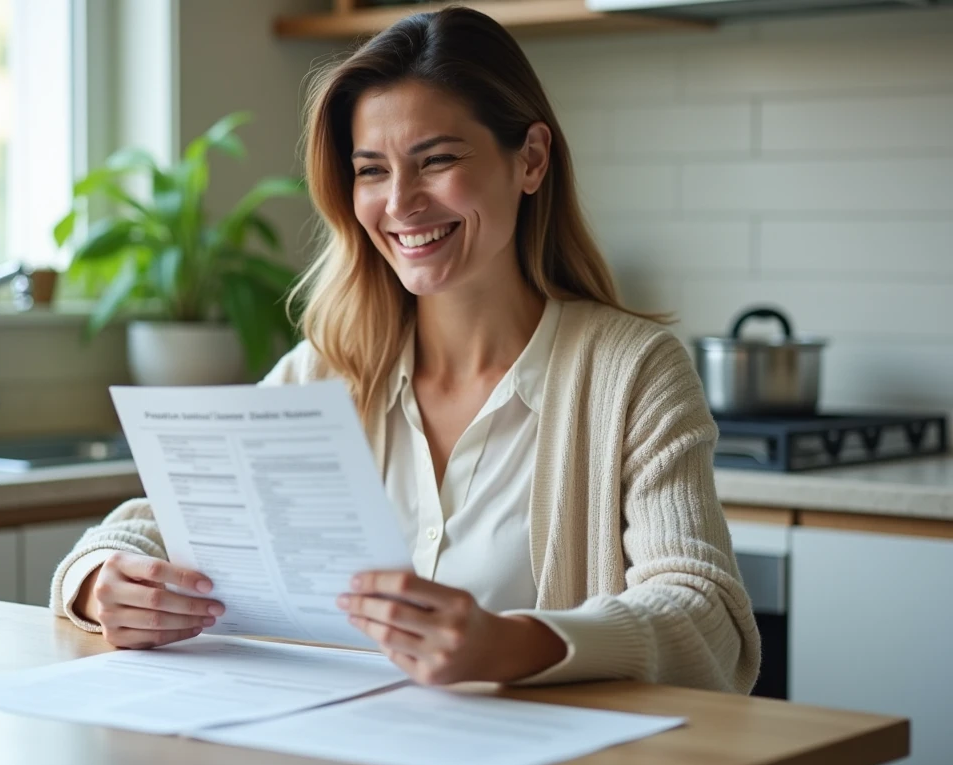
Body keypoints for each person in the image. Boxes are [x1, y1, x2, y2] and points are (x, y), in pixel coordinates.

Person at [50, 6, 760, 693]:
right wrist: (99, 581)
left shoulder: (630, 371)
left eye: (438, 159)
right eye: (371, 171)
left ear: (532, 159)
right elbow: (144, 529)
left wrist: (512, 644)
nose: (401, 203)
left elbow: (708, 616)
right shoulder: (325, 370)